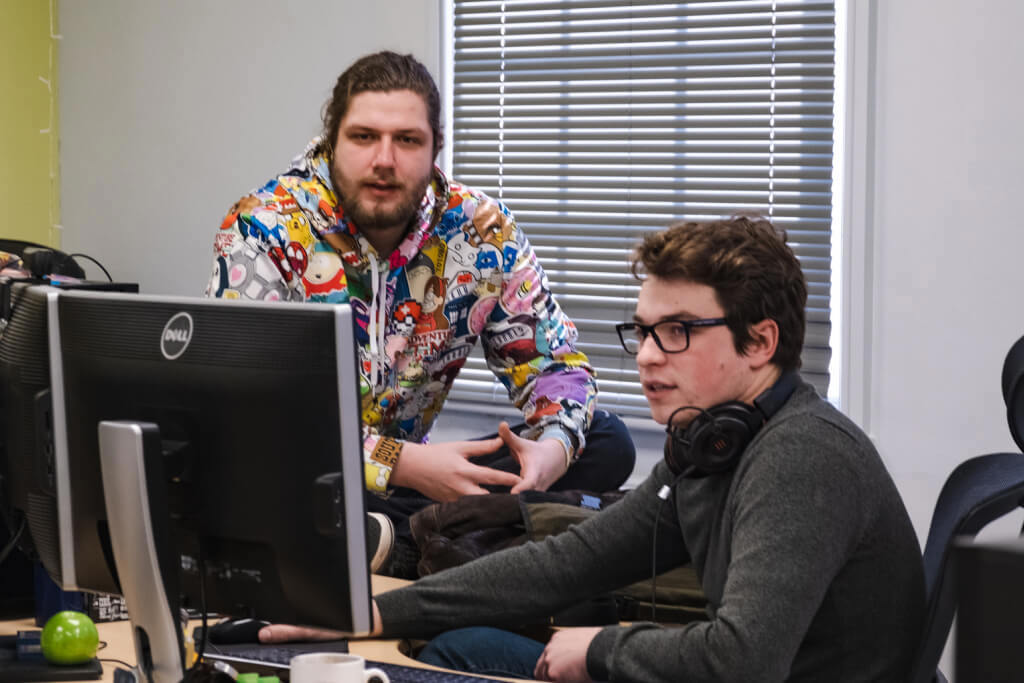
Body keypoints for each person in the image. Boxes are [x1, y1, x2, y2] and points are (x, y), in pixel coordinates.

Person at [262, 216, 927, 681]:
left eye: (676, 331)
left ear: (760, 341)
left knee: (464, 656)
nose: (644, 357)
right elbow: (572, 559)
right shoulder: (713, 445)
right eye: (640, 331)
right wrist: (375, 610)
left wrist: (603, 649)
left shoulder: (801, 457)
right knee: (459, 640)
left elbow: (742, 660)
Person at [204, 51, 634, 576]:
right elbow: (248, 412)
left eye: (407, 140)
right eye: (364, 137)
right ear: (331, 141)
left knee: (608, 441)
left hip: (410, 487)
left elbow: (558, 367)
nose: (384, 160)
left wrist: (552, 450)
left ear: (435, 149)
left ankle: (407, 538)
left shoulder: (480, 231)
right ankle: (438, 537)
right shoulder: (264, 228)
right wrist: (399, 461)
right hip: (310, 475)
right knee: (248, 479)